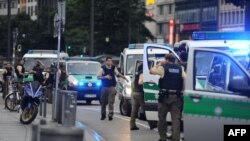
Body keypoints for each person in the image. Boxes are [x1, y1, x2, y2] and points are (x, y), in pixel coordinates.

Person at [150, 54, 186, 141]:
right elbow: (185, 78)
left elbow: (151, 71)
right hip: (176, 97)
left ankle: (163, 137)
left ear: (166, 60)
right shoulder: (180, 68)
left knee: (162, 118)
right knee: (176, 119)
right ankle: (176, 137)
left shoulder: (163, 68)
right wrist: (182, 90)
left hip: (164, 97)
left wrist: (159, 64)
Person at [98, 57, 128, 121]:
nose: (110, 62)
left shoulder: (113, 67)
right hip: (104, 87)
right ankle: (103, 114)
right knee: (103, 102)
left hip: (112, 87)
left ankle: (110, 114)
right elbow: (98, 77)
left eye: (111, 61)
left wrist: (124, 77)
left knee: (111, 102)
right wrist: (105, 77)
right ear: (106, 62)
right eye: (108, 61)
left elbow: (118, 74)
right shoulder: (102, 68)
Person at [130, 64, 144, 130]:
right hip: (140, 93)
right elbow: (140, 82)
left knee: (134, 110)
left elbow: (132, 83)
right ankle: (152, 124)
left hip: (134, 92)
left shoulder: (136, 73)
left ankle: (132, 125)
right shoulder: (142, 73)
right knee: (145, 108)